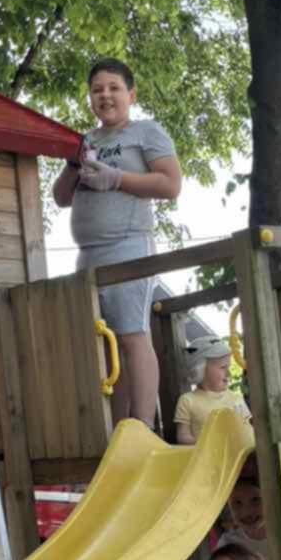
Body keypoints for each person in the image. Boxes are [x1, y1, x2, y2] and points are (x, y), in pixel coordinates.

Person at [51, 60, 182, 425]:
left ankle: (143, 427)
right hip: (87, 256)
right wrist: (74, 166)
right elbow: (61, 197)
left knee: (131, 337)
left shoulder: (146, 132)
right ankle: (119, 430)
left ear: (130, 94)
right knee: (105, 349)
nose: (105, 95)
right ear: (90, 98)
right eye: (97, 90)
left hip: (128, 247)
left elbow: (171, 184)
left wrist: (117, 178)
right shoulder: (86, 141)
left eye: (113, 88)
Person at [174, 336, 251, 446]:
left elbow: (248, 431)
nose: (228, 373)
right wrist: (210, 445)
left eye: (228, 367)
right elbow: (183, 437)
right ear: (199, 370)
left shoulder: (236, 399)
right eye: (223, 367)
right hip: (207, 460)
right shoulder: (187, 401)